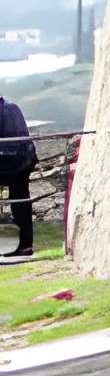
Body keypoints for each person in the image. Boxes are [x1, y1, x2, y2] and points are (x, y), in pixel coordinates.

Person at [0, 85, 32, 260]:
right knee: (21, 204)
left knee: (20, 204)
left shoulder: (7, 110)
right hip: (17, 163)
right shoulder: (10, 108)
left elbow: (13, 142)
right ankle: (25, 246)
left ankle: (24, 246)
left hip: (12, 164)